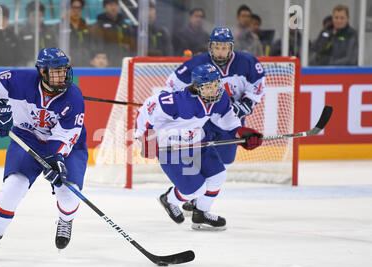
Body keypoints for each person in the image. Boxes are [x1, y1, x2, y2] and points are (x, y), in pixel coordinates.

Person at [0, 48, 88, 259]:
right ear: (42, 71)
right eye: (56, 72)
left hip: (65, 145)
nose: (63, 76)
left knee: (68, 193)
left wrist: (56, 159)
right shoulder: (18, 79)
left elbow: (66, 136)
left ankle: (65, 219)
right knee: (12, 187)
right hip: (26, 138)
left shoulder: (74, 97)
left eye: (64, 71)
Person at [135, 64, 263, 230]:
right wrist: (144, 138)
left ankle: (201, 213)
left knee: (217, 177)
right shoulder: (177, 101)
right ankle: (169, 199)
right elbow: (147, 108)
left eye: (216, 84)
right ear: (196, 87)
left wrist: (241, 133)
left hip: (197, 141)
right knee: (193, 191)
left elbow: (227, 119)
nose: (214, 90)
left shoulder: (221, 97)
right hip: (171, 149)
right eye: (208, 86)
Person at [164, 27, 265, 213]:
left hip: (230, 120)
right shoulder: (196, 63)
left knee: (225, 162)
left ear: (231, 47)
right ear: (211, 47)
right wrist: (171, 106)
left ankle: (196, 200)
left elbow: (256, 90)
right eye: (217, 47)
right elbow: (171, 87)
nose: (220, 51)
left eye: (224, 47)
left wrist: (243, 106)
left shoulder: (248, 63)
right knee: (199, 162)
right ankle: (193, 197)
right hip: (204, 121)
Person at [90, 0, 135, 67]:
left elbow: (132, 45)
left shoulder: (126, 26)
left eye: (115, 5)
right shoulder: (97, 26)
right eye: (110, 5)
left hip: (124, 64)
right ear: (104, 8)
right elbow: (95, 45)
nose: (113, 7)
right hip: (105, 64)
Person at [18, 1, 58, 66]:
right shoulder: (22, 33)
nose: (37, 18)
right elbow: (19, 55)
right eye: (34, 15)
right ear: (28, 16)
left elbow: (56, 49)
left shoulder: (50, 32)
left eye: (40, 15)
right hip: (28, 69)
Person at [68, 0, 93, 66]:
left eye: (79, 8)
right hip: (68, 65)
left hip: (85, 64)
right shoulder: (61, 28)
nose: (76, 11)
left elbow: (92, 46)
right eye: (74, 8)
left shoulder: (87, 28)